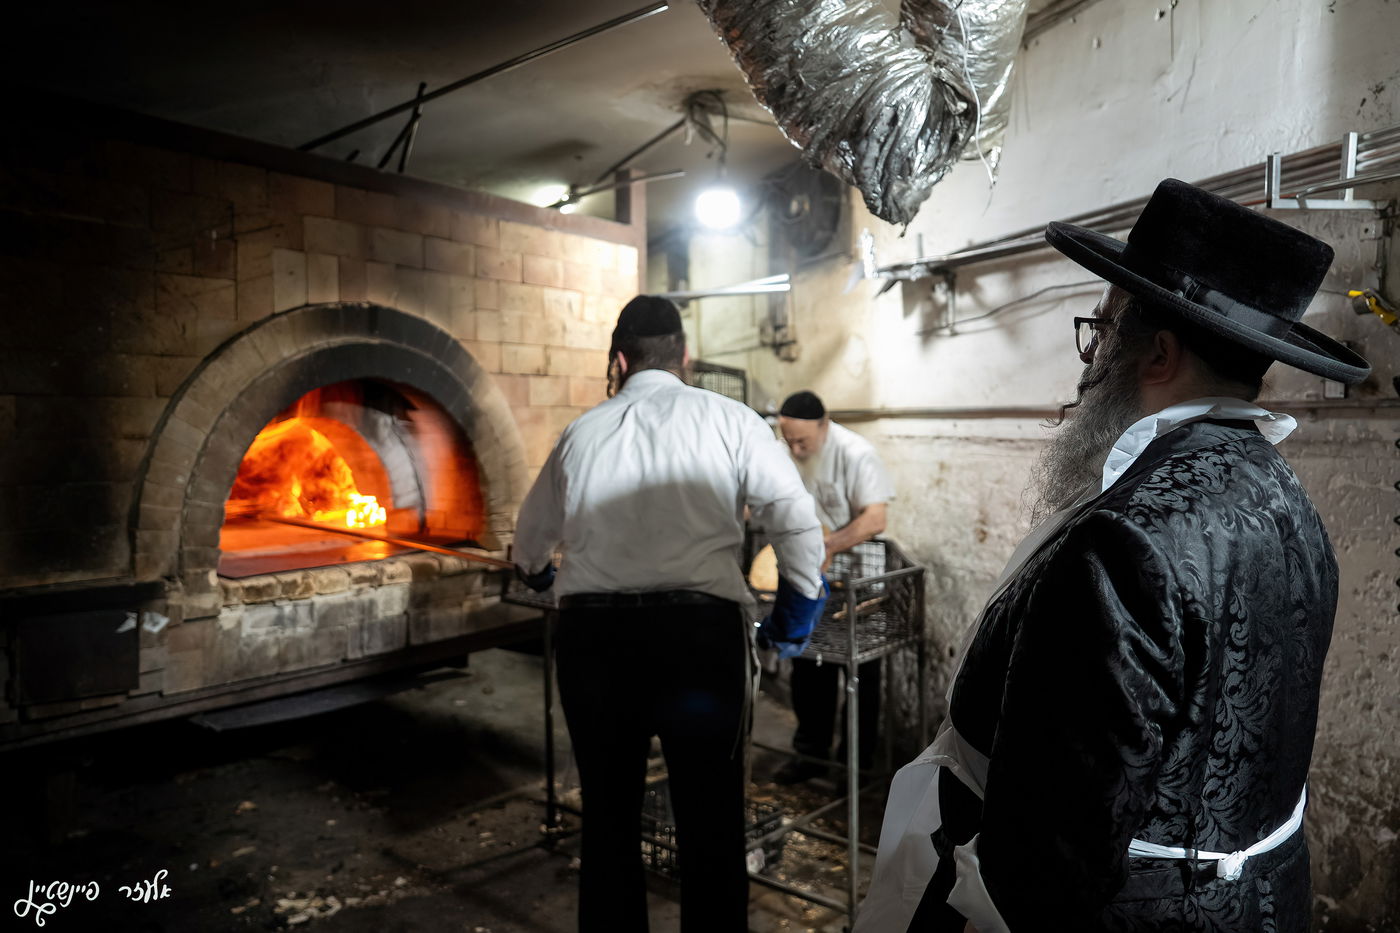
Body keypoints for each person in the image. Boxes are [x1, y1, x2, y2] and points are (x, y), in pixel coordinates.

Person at [856, 178, 1371, 933]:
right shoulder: (1287, 495)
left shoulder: (1122, 541)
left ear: (1156, 352)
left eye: (1099, 335)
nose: (1088, 363)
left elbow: (1049, 860)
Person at [514, 295, 827, 933]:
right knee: (711, 826)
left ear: (620, 360)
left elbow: (528, 545)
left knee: (608, 823)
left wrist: (547, 578)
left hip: (595, 645)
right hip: (697, 643)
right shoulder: (731, 420)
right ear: (683, 357)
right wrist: (792, 618)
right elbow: (795, 524)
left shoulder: (582, 432)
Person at [773, 390, 896, 785]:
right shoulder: (784, 450)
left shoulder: (855, 453)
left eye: (802, 442)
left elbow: (875, 519)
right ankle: (810, 755)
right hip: (813, 578)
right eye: (788, 439)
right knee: (808, 666)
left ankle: (854, 767)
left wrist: (825, 546)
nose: (794, 448)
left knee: (860, 676)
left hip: (858, 583)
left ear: (824, 427)